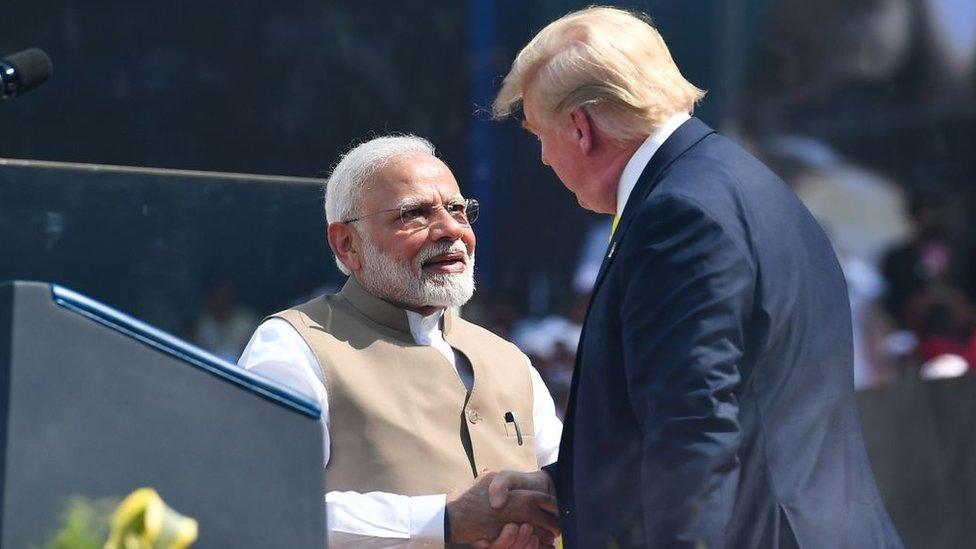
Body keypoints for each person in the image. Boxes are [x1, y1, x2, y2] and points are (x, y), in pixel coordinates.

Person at [487, 7, 903, 548]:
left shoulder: (679, 213)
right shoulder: (736, 184)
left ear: (580, 128)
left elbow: (694, 428)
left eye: (539, 135)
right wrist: (564, 489)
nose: (542, 158)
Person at [238, 135, 562, 548]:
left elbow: (570, 485)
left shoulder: (508, 359)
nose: (450, 230)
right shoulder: (296, 345)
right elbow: (264, 509)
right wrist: (442, 521)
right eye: (414, 214)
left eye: (458, 210)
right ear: (347, 244)